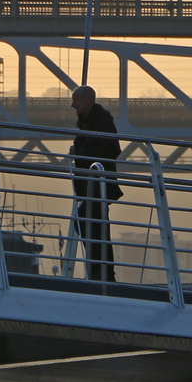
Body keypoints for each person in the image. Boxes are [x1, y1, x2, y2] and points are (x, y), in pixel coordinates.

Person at [69, 85, 122, 282]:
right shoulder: (89, 121)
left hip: (98, 185)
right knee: (95, 225)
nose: (72, 105)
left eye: (76, 100)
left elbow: (108, 149)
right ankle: (101, 271)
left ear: (87, 100)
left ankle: (102, 272)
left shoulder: (100, 121)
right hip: (94, 186)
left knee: (92, 223)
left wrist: (78, 153)